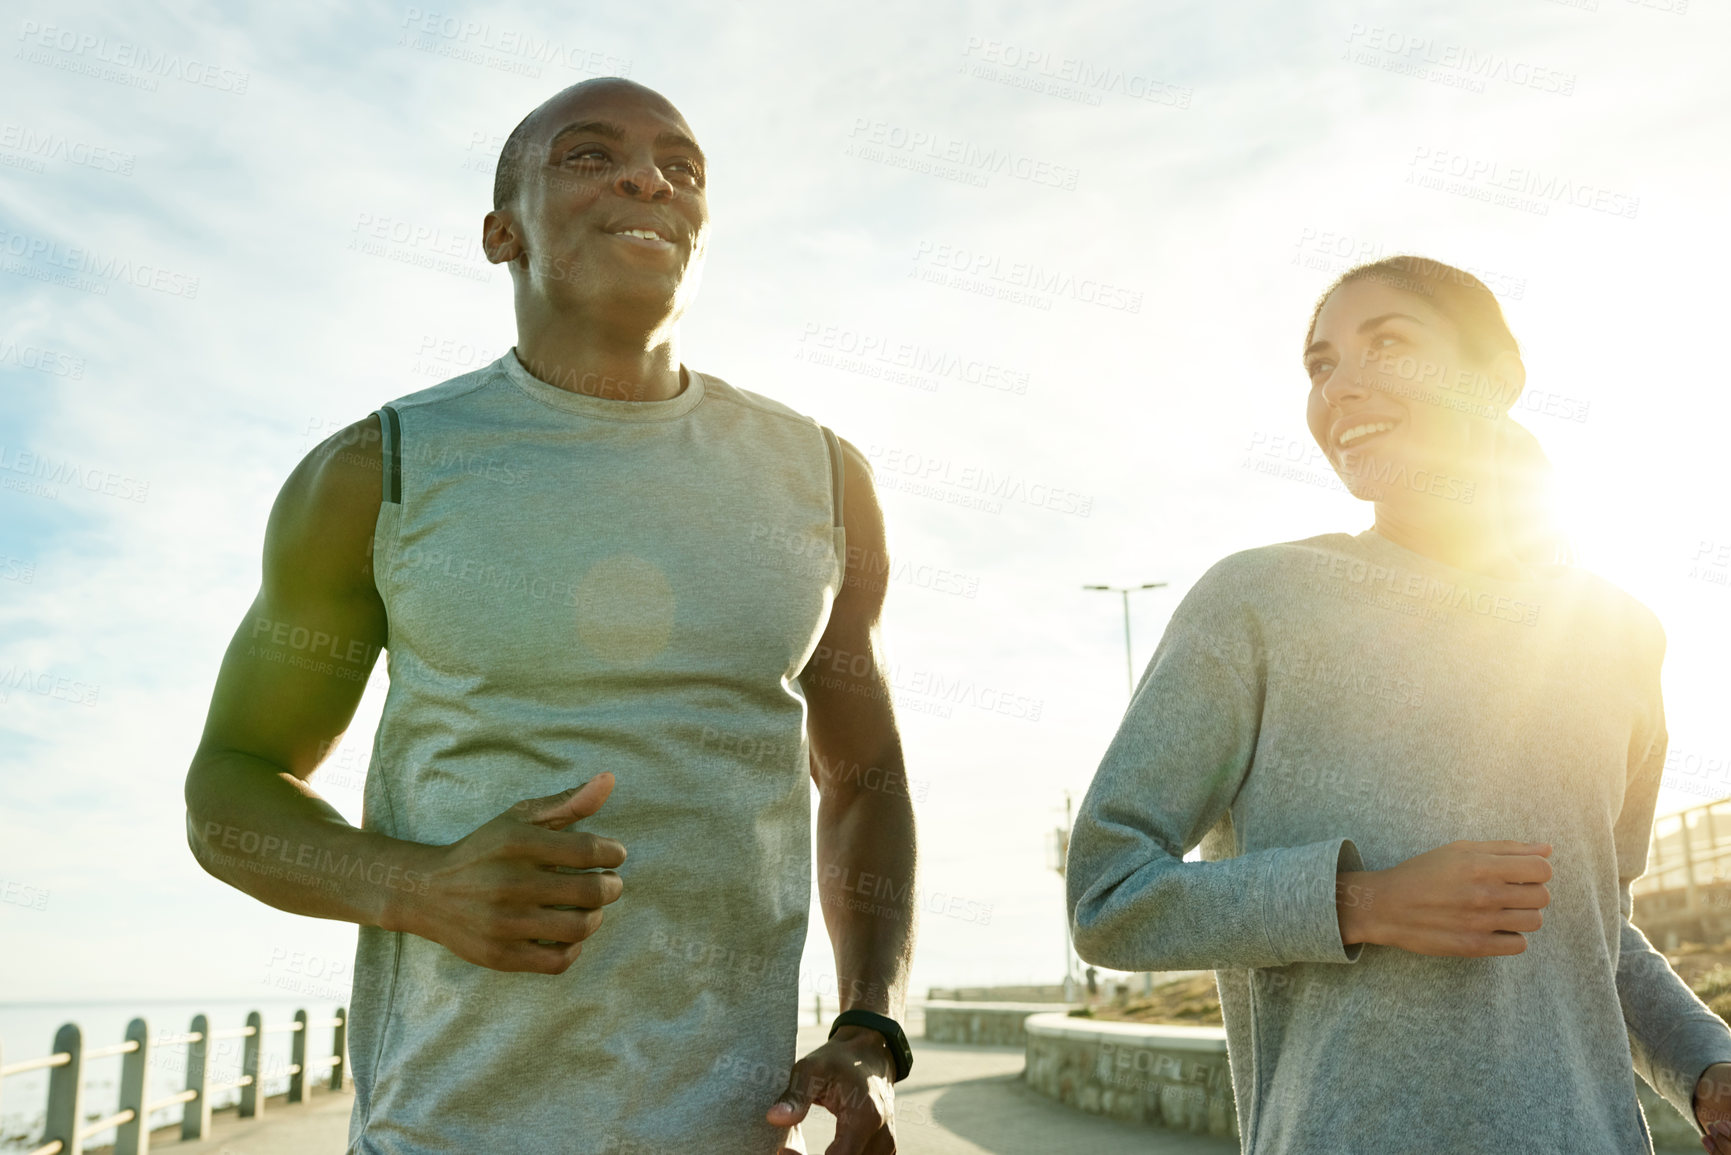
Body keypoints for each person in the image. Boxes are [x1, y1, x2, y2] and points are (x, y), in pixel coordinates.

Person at [183, 77, 917, 1155]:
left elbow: (863, 779)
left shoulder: (824, 479)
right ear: (501, 232)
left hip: (736, 1137)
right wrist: (417, 887)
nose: (647, 178)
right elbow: (230, 786)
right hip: (445, 1133)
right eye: (588, 155)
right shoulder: (376, 471)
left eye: (682, 165)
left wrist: (869, 1031)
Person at [1064, 254, 1731, 1154]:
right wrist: (1359, 901)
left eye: (1386, 343)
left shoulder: (1618, 636)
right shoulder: (1255, 603)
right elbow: (1107, 892)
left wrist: (1704, 1063)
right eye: (1320, 363)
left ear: (1495, 379)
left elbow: (1590, 926)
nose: (1338, 385)